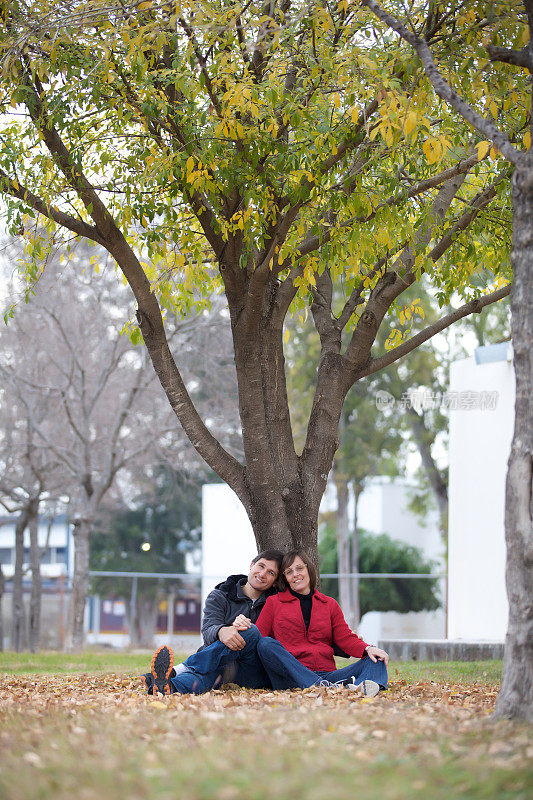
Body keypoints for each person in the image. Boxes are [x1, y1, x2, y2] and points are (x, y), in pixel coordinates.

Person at [250, 549, 389, 697]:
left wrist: (369, 648)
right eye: (289, 572)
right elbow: (258, 639)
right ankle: (333, 686)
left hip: (328, 676)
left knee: (376, 658)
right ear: (285, 578)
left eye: (299, 568)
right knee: (265, 644)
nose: (295, 574)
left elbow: (345, 638)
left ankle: (361, 687)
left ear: (309, 569)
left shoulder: (329, 604)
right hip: (290, 677)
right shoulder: (274, 602)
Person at [142, 550, 283, 695]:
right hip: (217, 664)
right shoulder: (220, 595)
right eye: (261, 566)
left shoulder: (276, 603)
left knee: (251, 631)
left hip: (250, 669)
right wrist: (221, 631)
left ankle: (179, 669)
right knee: (204, 677)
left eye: (271, 573)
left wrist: (242, 630)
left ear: (275, 582)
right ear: (251, 565)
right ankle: (167, 687)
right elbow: (208, 631)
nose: (263, 574)